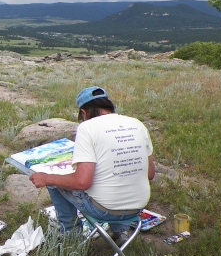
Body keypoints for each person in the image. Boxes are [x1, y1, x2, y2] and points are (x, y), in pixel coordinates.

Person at [29, 86, 155, 244]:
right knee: (119, 177)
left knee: (54, 183)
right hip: (138, 207)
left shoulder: (87, 128)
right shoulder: (137, 124)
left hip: (105, 211)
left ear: (83, 112)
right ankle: (120, 232)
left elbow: (82, 182)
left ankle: (69, 234)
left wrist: (47, 178)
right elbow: (150, 174)